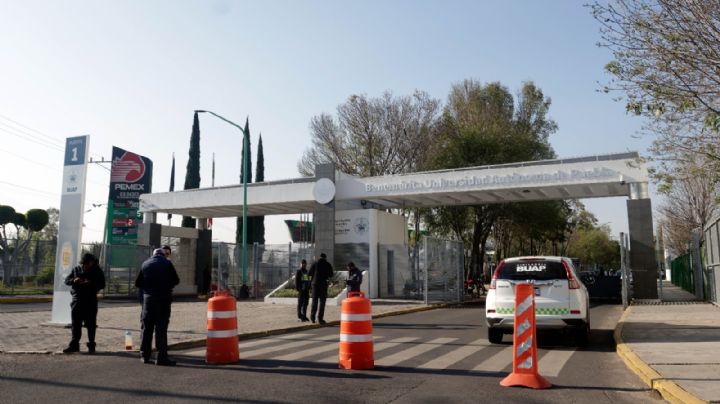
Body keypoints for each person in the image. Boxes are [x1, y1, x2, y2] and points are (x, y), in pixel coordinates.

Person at [135, 248, 180, 366]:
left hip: (148, 301)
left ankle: (144, 355)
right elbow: (176, 280)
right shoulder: (167, 263)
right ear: (163, 255)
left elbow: (138, 283)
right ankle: (161, 357)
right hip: (163, 299)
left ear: (153, 255)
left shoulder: (145, 264)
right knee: (161, 329)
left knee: (147, 328)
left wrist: (149, 287)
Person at [63, 253, 105, 354]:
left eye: (90, 263)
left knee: (91, 324)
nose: (88, 266)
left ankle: (91, 346)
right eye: (86, 264)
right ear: (83, 263)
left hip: (90, 301)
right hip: (77, 301)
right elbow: (67, 280)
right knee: (76, 324)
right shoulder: (76, 269)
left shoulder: (97, 270)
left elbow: (102, 284)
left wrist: (90, 283)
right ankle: (74, 345)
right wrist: (74, 280)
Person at [309, 253, 333, 325]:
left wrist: (310, 282)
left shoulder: (315, 263)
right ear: (325, 258)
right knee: (322, 302)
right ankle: (320, 319)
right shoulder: (327, 264)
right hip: (323, 285)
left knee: (314, 301)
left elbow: (309, 273)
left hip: (315, 284)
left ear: (319, 257)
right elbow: (331, 274)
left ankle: (312, 318)